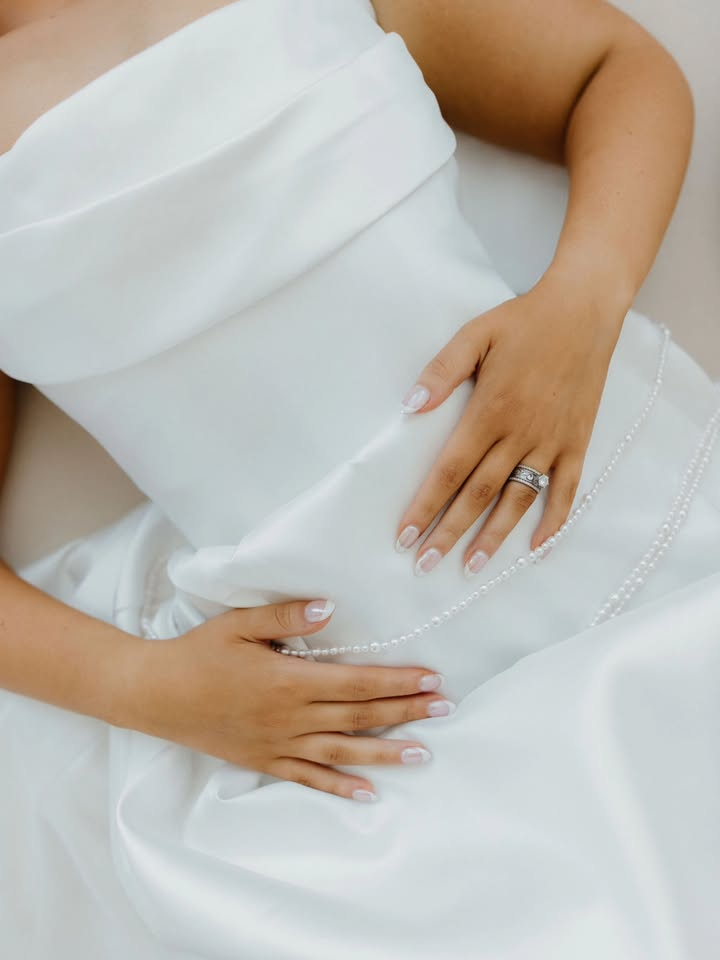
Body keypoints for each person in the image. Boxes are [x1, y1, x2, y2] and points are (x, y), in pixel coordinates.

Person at [0, 0, 718, 957]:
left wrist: (581, 301)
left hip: (643, 523)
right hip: (350, 724)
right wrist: (148, 688)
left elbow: (616, 68)